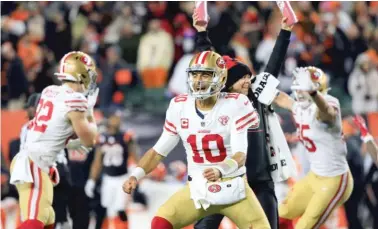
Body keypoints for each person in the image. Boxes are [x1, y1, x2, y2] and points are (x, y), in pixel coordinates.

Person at [123, 50, 270, 229]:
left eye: (206, 75)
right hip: (198, 187)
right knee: (160, 223)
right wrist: (135, 175)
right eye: (195, 74)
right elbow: (158, 151)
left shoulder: (236, 104)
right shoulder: (179, 106)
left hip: (234, 188)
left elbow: (240, 155)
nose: (199, 80)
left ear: (221, 78)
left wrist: (220, 170)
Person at [192, 12, 294, 229]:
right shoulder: (218, 101)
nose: (247, 80)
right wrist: (201, 32)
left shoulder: (256, 95)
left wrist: (286, 31)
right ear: (227, 82)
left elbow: (273, 66)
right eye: (241, 78)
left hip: (259, 179)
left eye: (247, 76)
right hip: (226, 177)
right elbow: (211, 63)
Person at [9, 51, 99, 229]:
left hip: (33, 162)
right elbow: (90, 140)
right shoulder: (76, 101)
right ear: (81, 75)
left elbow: (59, 128)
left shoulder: (49, 91)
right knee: (35, 223)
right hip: (36, 163)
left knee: (48, 219)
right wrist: (90, 113)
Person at [270, 66, 354, 229]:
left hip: (334, 179)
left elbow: (326, 113)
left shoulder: (329, 103)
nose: (300, 94)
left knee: (304, 226)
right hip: (314, 176)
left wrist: (313, 93)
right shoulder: (300, 108)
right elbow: (283, 99)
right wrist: (254, 84)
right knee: (281, 212)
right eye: (298, 89)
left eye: (304, 90)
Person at [85, 109, 138, 229]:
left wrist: (136, 175)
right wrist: (92, 180)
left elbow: (135, 157)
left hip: (122, 178)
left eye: (119, 117)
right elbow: (97, 162)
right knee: (106, 209)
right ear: (109, 118)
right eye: (115, 117)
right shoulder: (102, 137)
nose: (118, 120)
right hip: (108, 179)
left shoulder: (126, 136)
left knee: (120, 209)